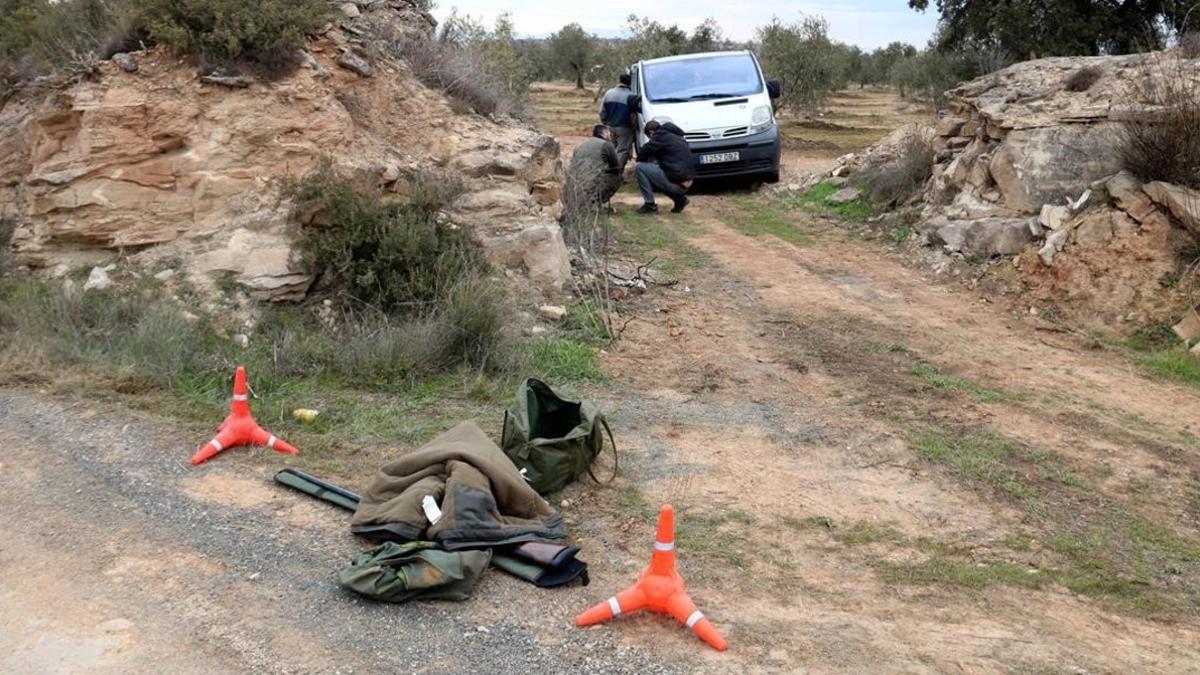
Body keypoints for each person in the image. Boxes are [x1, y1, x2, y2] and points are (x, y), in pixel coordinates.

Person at [634, 120, 694, 214]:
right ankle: (680, 200)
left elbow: (644, 151)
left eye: (650, 138)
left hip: (677, 182)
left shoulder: (660, 136)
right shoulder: (675, 136)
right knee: (657, 173)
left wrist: (640, 160)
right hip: (687, 181)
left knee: (640, 168)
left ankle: (650, 206)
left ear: (651, 133)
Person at [563, 125, 622, 215]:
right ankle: (595, 203)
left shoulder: (581, 144)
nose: (610, 136)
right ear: (605, 133)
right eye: (609, 133)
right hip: (591, 184)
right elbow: (616, 167)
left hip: (574, 185)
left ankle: (587, 202)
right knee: (618, 177)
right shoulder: (606, 145)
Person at [599, 73, 636, 169]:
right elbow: (633, 116)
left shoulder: (609, 93)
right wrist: (635, 127)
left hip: (610, 126)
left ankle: (607, 171)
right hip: (625, 128)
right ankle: (616, 173)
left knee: (611, 150)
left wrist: (605, 123)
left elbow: (602, 111)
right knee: (623, 151)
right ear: (630, 83)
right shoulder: (631, 96)